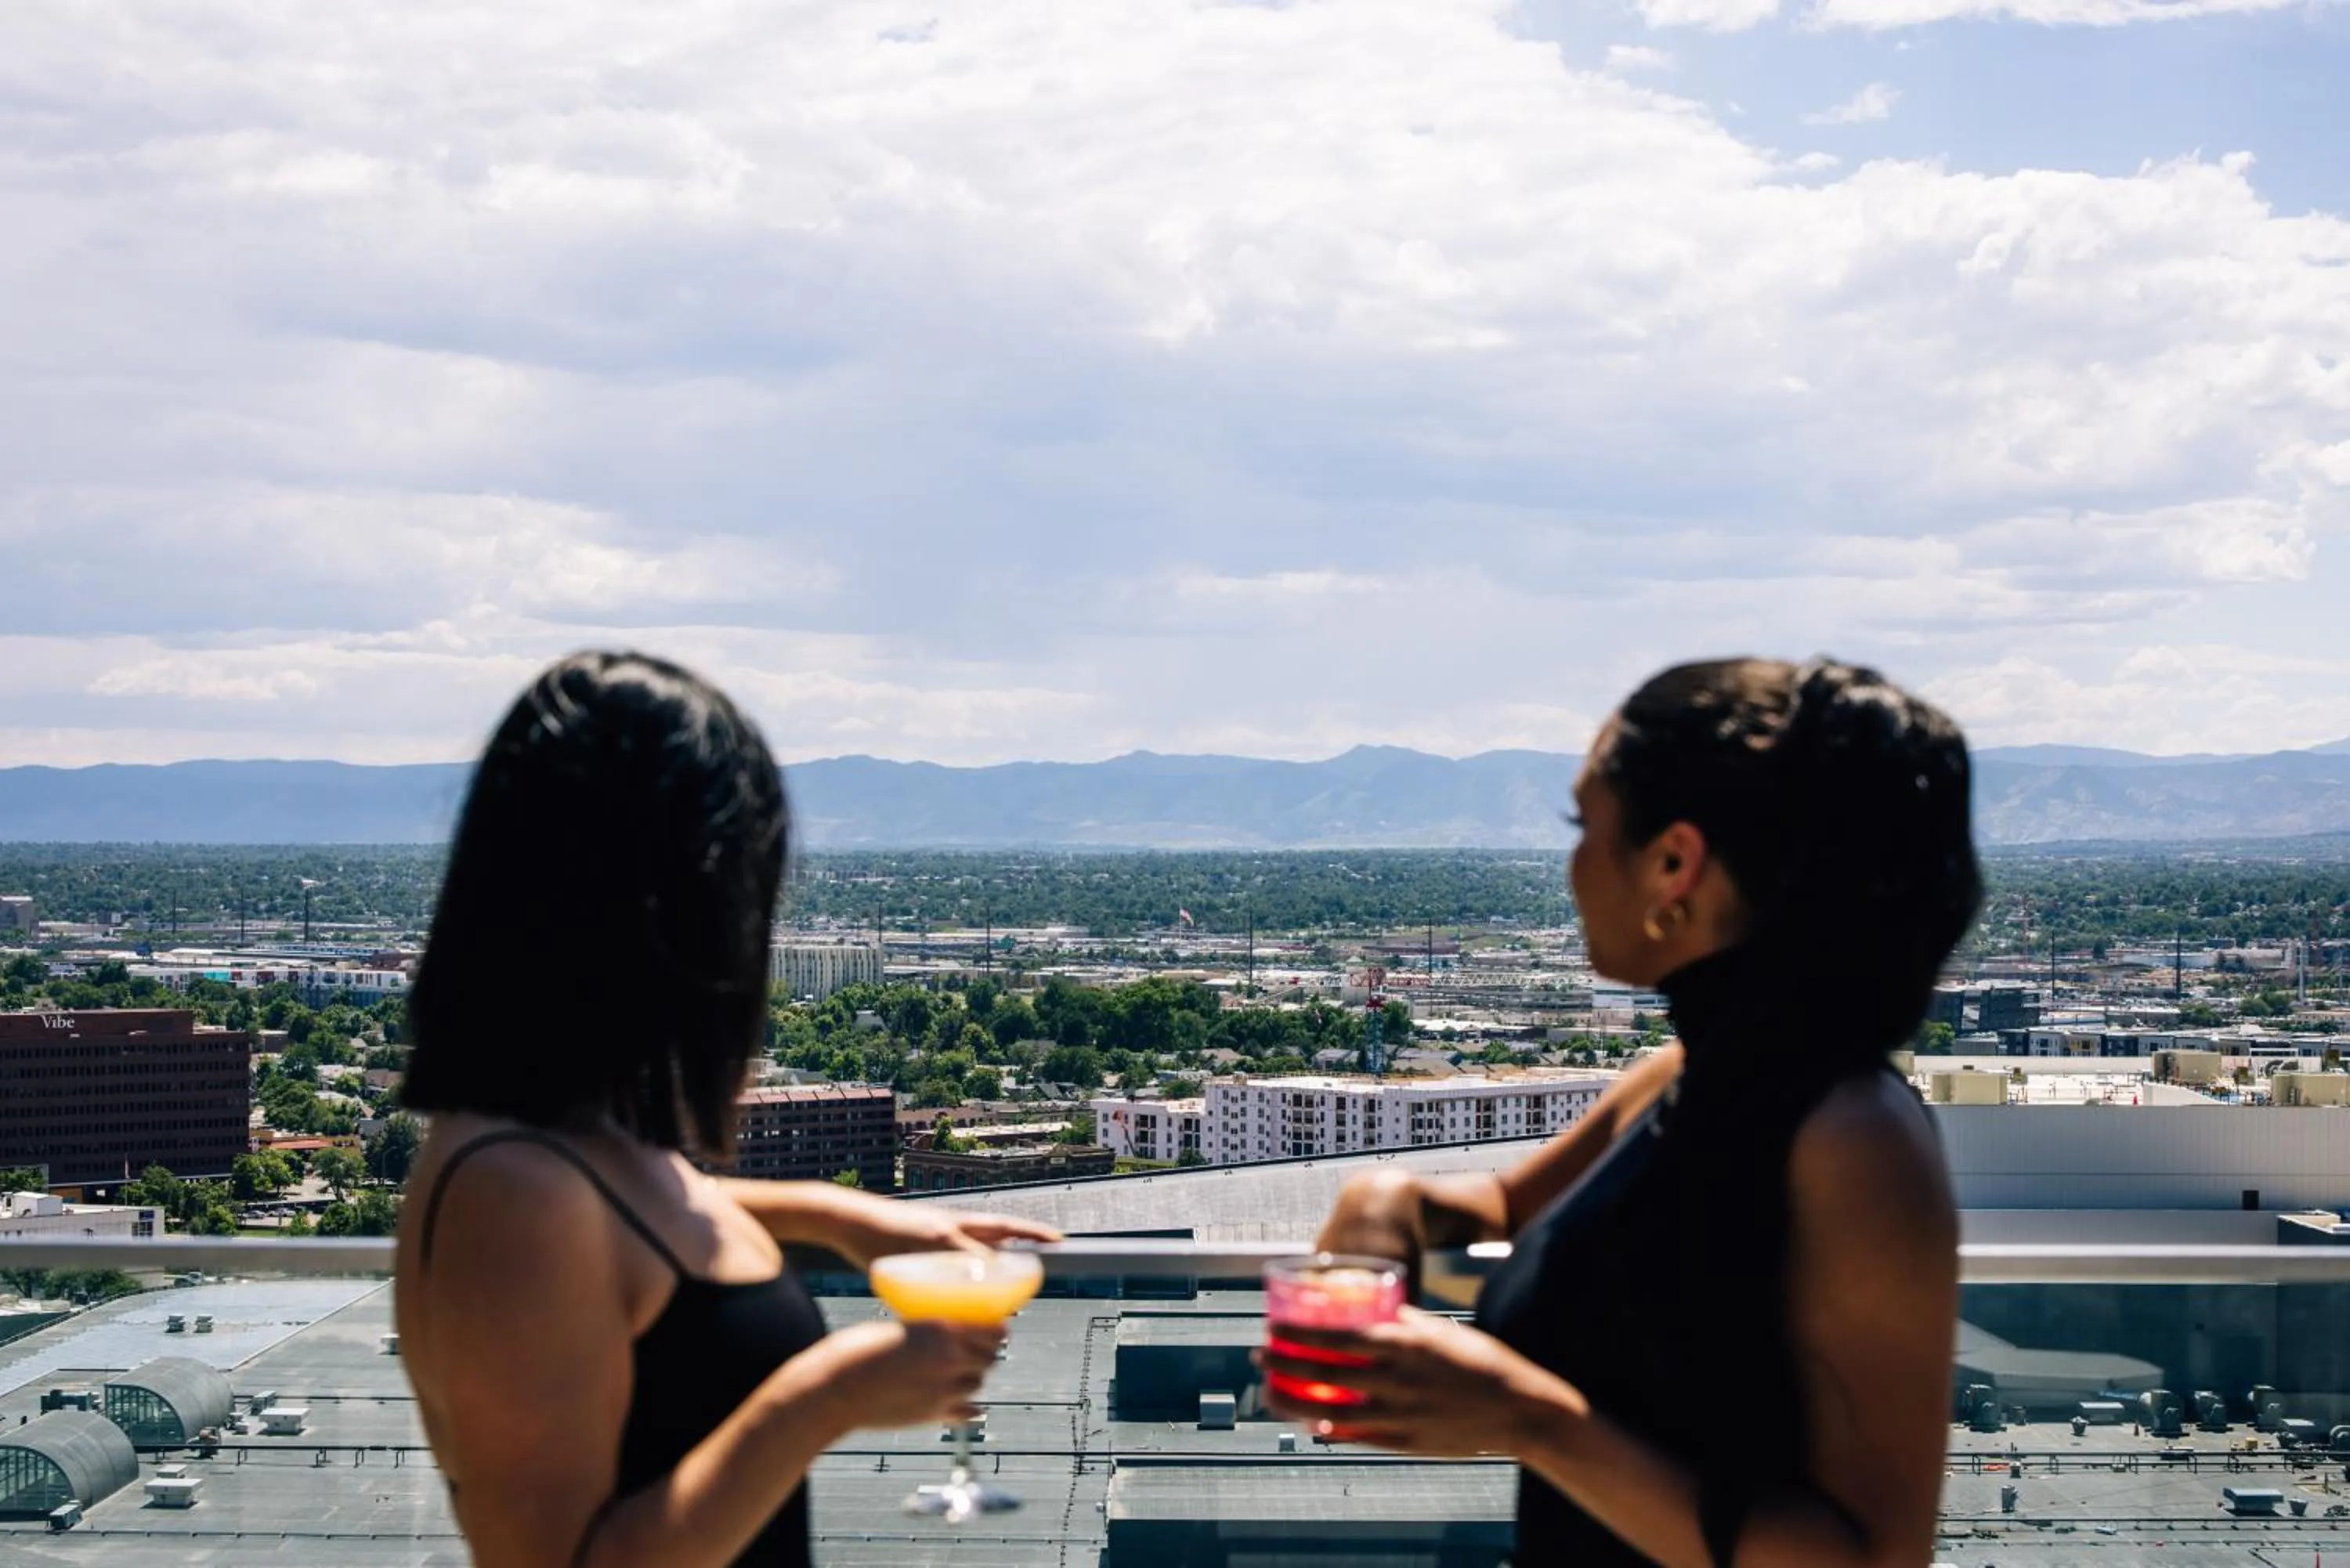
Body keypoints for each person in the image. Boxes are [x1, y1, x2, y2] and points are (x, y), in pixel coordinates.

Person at [1268, 657, 1981, 1567]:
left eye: (1585, 823)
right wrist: (1384, 1202)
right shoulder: (1680, 1076)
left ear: (1675, 862)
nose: (1569, 862)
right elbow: (1505, 1213)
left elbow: (1875, 1558)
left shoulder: (1858, 1139)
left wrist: (1528, 1417)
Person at [394, 652, 1058, 1568]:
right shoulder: (509, 1189)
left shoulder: (573, 1137)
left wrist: (836, 1217)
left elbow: (625, 1244)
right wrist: (829, 1391)